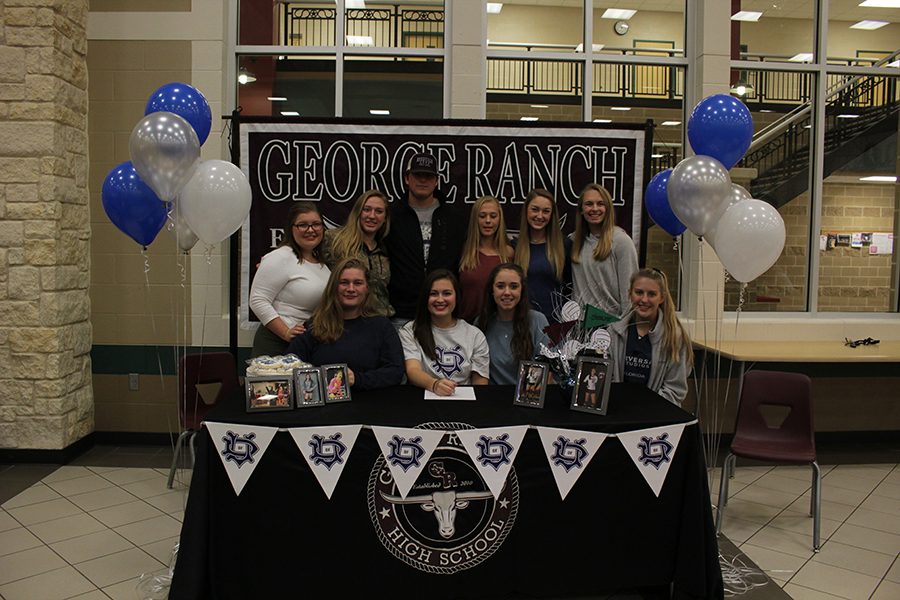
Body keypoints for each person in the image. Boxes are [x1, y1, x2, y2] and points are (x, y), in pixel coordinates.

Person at [287, 257, 404, 390]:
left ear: (367, 288)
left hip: (370, 405)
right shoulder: (313, 327)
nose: (351, 288)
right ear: (333, 287)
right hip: (324, 408)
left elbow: (395, 372)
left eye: (358, 283)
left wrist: (358, 379)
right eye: (344, 282)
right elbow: (290, 369)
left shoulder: (382, 326)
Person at [385, 153, 469, 326]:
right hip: (401, 313)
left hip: (443, 313)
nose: (423, 180)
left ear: (436, 180)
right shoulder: (391, 215)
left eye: (428, 176)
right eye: (417, 175)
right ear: (407, 178)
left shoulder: (455, 217)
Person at [249, 202, 330, 357]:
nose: (311, 230)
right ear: (291, 229)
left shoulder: (322, 262)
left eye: (316, 224)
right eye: (303, 225)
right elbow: (257, 300)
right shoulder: (280, 257)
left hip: (305, 342)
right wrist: (285, 332)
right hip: (276, 343)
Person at [608, 268, 692, 406]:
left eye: (652, 294)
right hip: (619, 414)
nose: (644, 299)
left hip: (655, 417)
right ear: (630, 294)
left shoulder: (675, 338)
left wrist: (644, 410)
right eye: (639, 292)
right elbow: (606, 381)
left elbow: (675, 391)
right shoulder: (613, 332)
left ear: (662, 298)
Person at [399, 269, 490, 395]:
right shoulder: (410, 331)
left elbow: (480, 381)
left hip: (463, 402)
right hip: (424, 398)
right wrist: (434, 384)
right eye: (433, 294)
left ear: (457, 297)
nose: (440, 299)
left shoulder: (475, 335)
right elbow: (413, 370)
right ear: (425, 297)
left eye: (447, 293)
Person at [320, 189, 393, 317]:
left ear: (385, 218)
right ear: (357, 212)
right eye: (367, 209)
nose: (372, 216)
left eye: (379, 211)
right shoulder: (334, 240)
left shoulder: (387, 250)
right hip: (343, 321)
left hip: (380, 322)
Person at [570, 183, 639, 317]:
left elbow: (629, 294)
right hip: (578, 329)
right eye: (589, 204)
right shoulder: (573, 241)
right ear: (581, 210)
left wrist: (623, 329)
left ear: (608, 208)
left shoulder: (621, 242)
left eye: (600, 204)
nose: (594, 209)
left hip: (610, 326)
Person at [477, 263, 549, 385]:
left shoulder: (538, 320)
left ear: (522, 290)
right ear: (492, 291)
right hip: (491, 398)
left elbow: (548, 371)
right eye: (500, 286)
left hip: (529, 398)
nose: (507, 292)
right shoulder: (482, 322)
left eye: (514, 286)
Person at [513, 189, 572, 324]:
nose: (540, 216)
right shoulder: (515, 247)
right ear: (526, 211)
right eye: (535, 209)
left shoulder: (564, 246)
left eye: (546, 211)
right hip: (523, 322)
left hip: (556, 324)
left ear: (552, 215)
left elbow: (570, 288)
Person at [457, 196, 514, 321]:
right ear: (475, 219)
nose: (488, 221)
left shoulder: (508, 253)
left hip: (497, 327)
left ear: (500, 219)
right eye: (482, 216)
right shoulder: (463, 251)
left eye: (493, 216)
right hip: (466, 326)